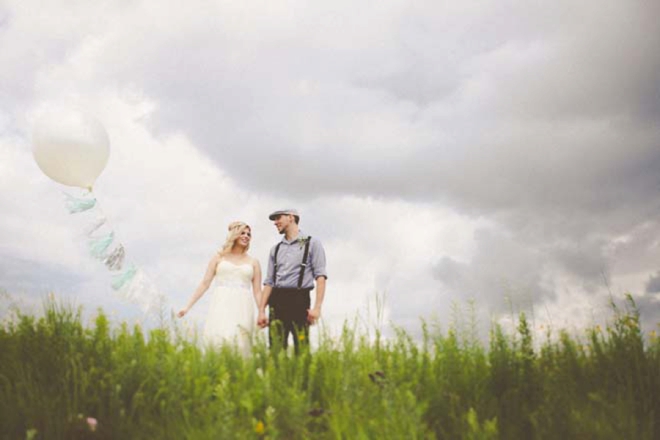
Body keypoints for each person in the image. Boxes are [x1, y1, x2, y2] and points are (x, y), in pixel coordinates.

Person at [178, 221, 262, 353]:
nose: (246, 236)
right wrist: (187, 307)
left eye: (249, 234)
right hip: (221, 304)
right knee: (219, 339)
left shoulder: (253, 262)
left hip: (243, 306)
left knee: (241, 343)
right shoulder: (218, 258)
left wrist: (262, 312)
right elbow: (205, 283)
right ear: (234, 235)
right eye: (242, 233)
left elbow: (257, 291)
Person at [257, 209, 327, 353]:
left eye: (278, 218)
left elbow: (320, 276)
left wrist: (317, 308)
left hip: (299, 300)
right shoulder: (276, 249)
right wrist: (261, 311)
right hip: (277, 300)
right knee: (275, 350)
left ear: (291, 218)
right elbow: (269, 281)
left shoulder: (310, 242)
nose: (275, 222)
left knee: (301, 349)